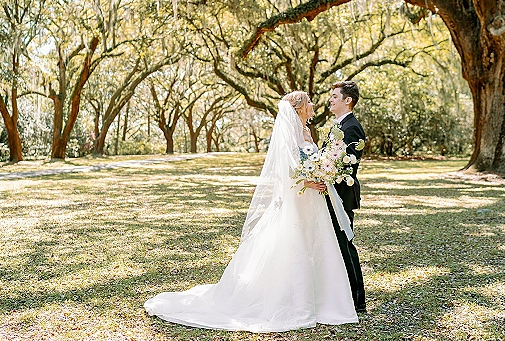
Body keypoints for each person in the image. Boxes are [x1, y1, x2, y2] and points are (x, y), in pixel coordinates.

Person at [144, 91, 358, 333]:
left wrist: (320, 174)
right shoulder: (288, 134)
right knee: (296, 247)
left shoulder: (306, 131)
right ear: (298, 108)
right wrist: (308, 182)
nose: (312, 105)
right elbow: (285, 171)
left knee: (316, 246)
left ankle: (324, 300)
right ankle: (295, 302)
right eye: (308, 102)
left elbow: (310, 162)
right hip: (299, 199)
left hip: (313, 201)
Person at [305, 81, 367, 313]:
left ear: (347, 100)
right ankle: (340, 294)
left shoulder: (352, 127)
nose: (330, 100)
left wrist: (325, 175)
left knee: (345, 245)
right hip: (329, 193)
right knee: (335, 245)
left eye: (334, 96)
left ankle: (357, 300)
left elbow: (348, 166)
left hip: (340, 195)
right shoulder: (338, 125)